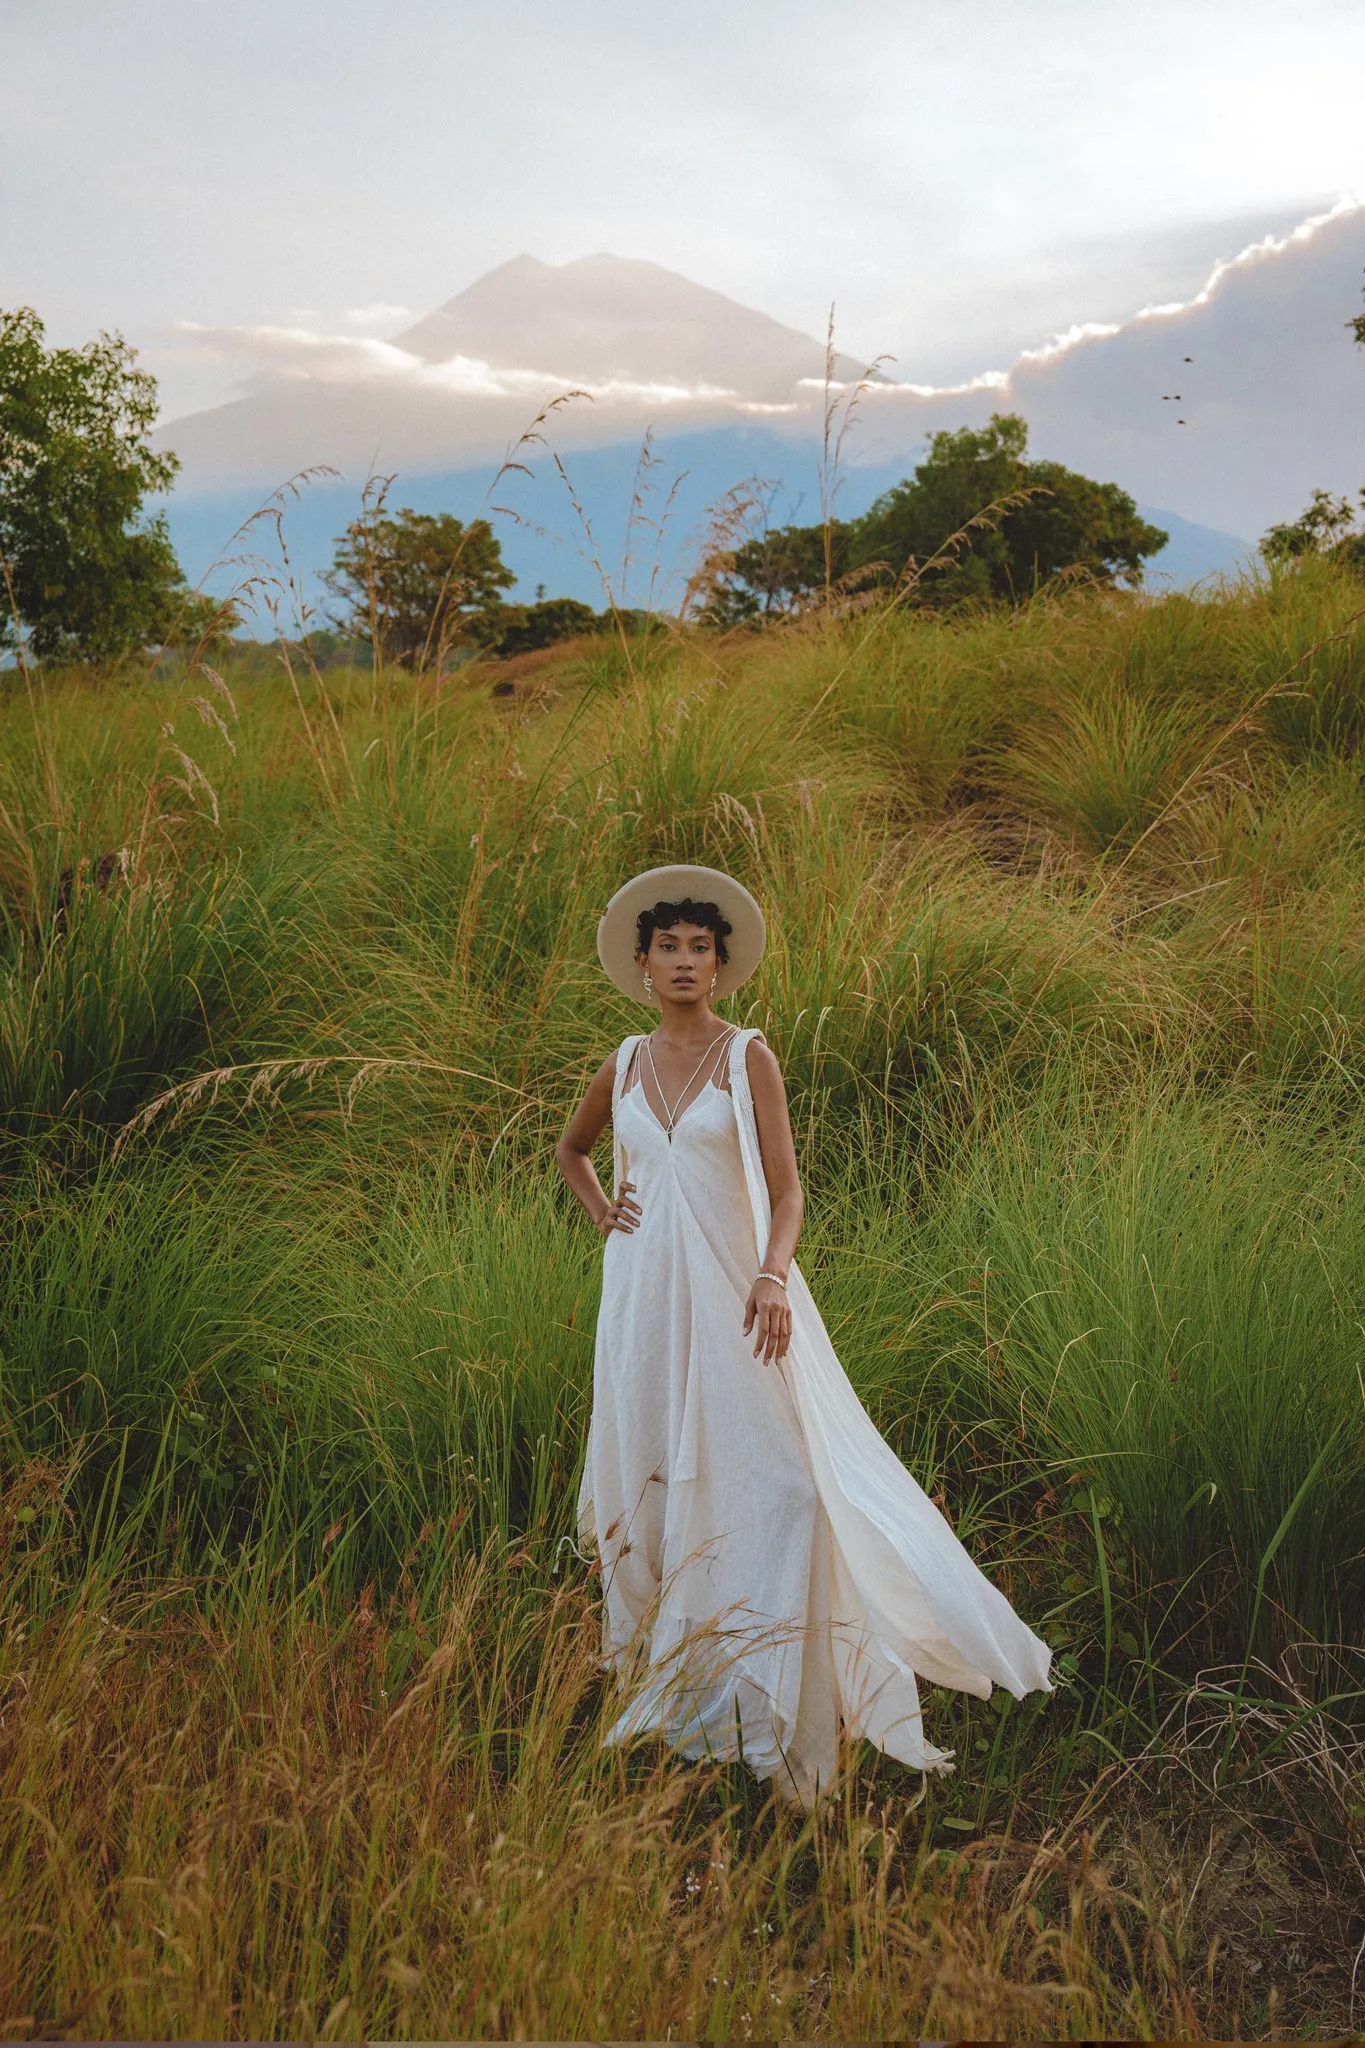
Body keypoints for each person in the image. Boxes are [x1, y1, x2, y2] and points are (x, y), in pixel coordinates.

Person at [555, 863, 1051, 1811]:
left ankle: (793, 1715)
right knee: (651, 1483)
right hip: (642, 1305)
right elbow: (571, 1150)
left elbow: (787, 1191)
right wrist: (603, 1212)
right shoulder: (620, 1062)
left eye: (702, 947)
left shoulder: (748, 1057)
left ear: (720, 963)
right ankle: (684, 1697)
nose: (686, 961)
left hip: (738, 1301)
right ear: (643, 962)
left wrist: (773, 1274)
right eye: (670, 947)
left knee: (788, 1488)